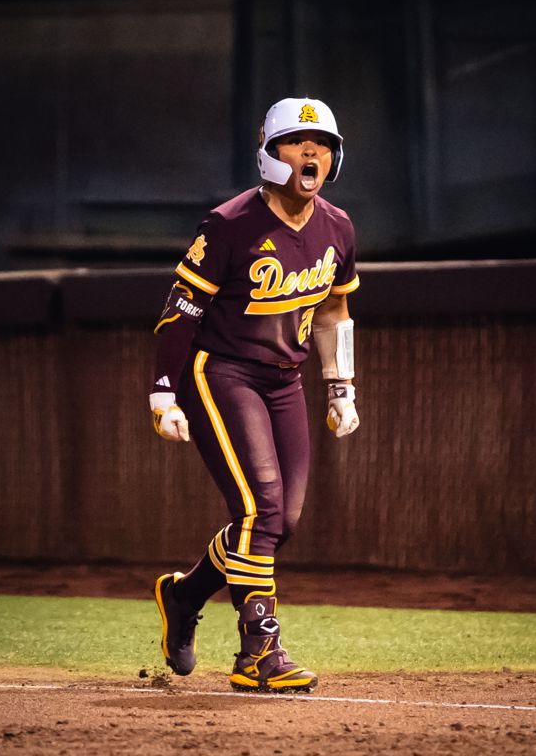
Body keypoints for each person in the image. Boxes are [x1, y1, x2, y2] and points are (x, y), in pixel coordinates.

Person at [150, 96, 360, 693]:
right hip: (222, 373)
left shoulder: (338, 226)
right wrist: (163, 393)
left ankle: (184, 596)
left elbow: (335, 311)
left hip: (285, 379)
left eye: (323, 143)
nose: (311, 151)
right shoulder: (229, 224)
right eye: (296, 141)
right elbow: (180, 312)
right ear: (268, 152)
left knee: (281, 521)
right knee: (260, 510)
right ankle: (259, 652)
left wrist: (341, 386)